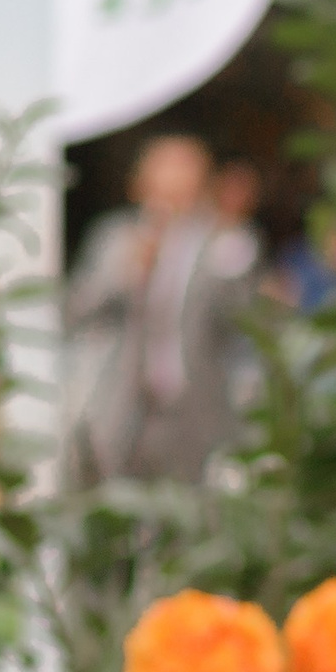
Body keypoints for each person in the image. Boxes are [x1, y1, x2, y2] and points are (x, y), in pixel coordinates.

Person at [61, 135, 260, 488]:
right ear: (139, 185)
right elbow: (75, 310)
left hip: (194, 407)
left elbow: (244, 325)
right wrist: (124, 272)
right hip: (121, 405)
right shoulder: (113, 238)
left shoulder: (223, 244)